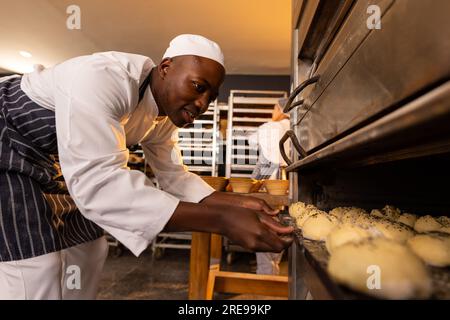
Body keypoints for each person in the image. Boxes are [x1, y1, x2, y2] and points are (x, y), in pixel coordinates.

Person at [0, 34, 293, 299]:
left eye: (210, 96)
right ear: (165, 68)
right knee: (34, 265)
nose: (203, 103)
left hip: (55, 164)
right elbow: (102, 186)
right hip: (9, 142)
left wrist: (235, 203)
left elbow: (173, 174)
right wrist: (222, 221)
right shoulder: (103, 78)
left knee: (90, 249)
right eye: (198, 86)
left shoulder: (162, 117)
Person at [248, 99, 290, 275]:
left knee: (266, 226)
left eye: (275, 107)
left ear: (281, 109)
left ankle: (265, 281)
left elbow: (266, 161)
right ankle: (274, 271)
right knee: (281, 225)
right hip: (290, 182)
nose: (273, 110)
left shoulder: (270, 127)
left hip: (271, 182)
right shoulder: (297, 125)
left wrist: (253, 184)